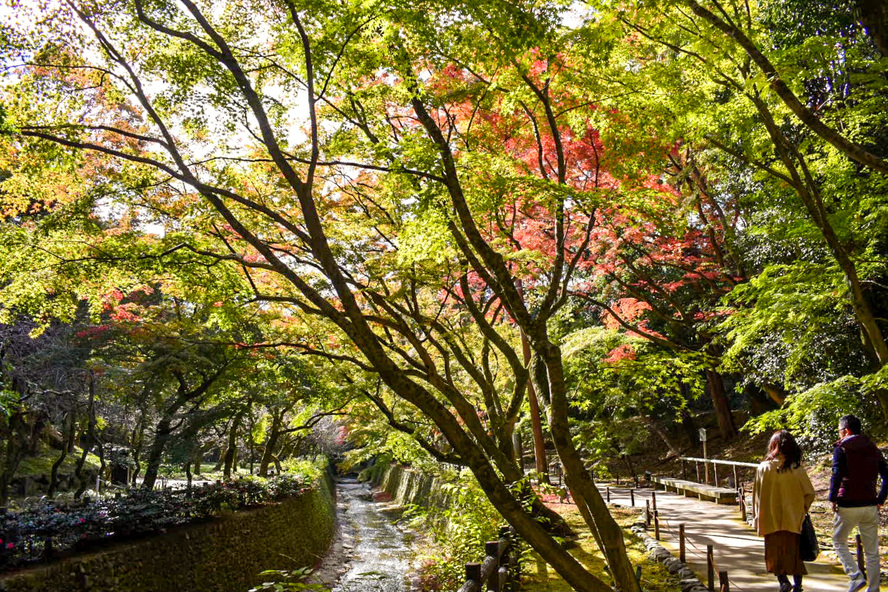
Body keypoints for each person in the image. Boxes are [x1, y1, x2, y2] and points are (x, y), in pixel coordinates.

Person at [830, 414, 888, 592]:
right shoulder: (873, 448)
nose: (839, 434)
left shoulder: (842, 448)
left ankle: (855, 576)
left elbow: (837, 474)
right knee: (872, 551)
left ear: (846, 430)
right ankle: (874, 588)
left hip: (847, 503)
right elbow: (887, 475)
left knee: (838, 541)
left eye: (840, 431)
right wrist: (880, 498)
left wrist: (833, 498)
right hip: (870, 504)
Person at [753, 430, 815, 592]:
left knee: (774, 555)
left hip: (770, 519)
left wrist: (757, 517)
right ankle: (798, 585)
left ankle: (783, 582)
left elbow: (756, 496)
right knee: (795, 555)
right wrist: (802, 509)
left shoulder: (763, 468)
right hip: (793, 519)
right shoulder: (796, 469)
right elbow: (809, 493)